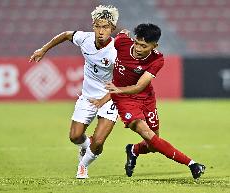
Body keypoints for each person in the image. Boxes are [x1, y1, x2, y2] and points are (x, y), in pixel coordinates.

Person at [91, 23, 206, 179]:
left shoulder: (157, 59)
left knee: (153, 144)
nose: (138, 48)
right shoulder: (121, 42)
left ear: (154, 46)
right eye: (137, 43)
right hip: (124, 100)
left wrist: (118, 89)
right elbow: (113, 37)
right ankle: (192, 164)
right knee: (147, 133)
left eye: (144, 46)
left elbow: (139, 87)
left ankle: (133, 150)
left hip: (146, 98)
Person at [29, 5, 119, 179]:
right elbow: (65, 35)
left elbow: (124, 81)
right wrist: (43, 50)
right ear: (93, 26)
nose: (101, 31)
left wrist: (104, 99)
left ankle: (83, 166)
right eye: (98, 26)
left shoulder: (117, 51)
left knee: (99, 141)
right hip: (87, 97)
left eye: (105, 27)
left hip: (110, 98)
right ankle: (86, 146)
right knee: (75, 136)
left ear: (112, 29)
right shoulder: (84, 38)